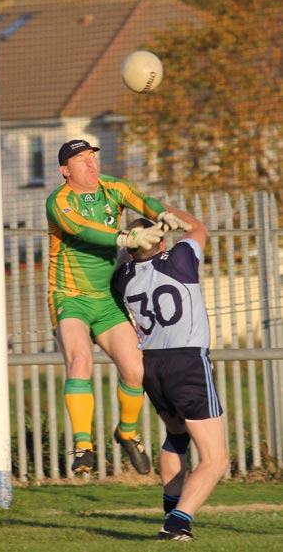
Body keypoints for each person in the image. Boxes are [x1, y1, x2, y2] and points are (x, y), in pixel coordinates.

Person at [46, 139, 188, 474]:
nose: (91, 164)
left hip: (107, 300)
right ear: (65, 171)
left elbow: (140, 200)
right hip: (70, 296)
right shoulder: (59, 201)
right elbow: (83, 231)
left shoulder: (112, 187)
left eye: (92, 157)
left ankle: (127, 433)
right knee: (80, 360)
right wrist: (124, 239)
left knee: (136, 369)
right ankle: (83, 447)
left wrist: (162, 214)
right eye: (81, 160)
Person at [115, 206, 229, 541]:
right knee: (216, 459)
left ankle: (171, 505)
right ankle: (177, 523)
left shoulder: (124, 275)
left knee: (177, 435)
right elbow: (200, 228)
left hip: (152, 365)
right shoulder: (178, 258)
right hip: (187, 362)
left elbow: (127, 254)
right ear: (161, 238)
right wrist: (170, 213)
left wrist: (134, 241)